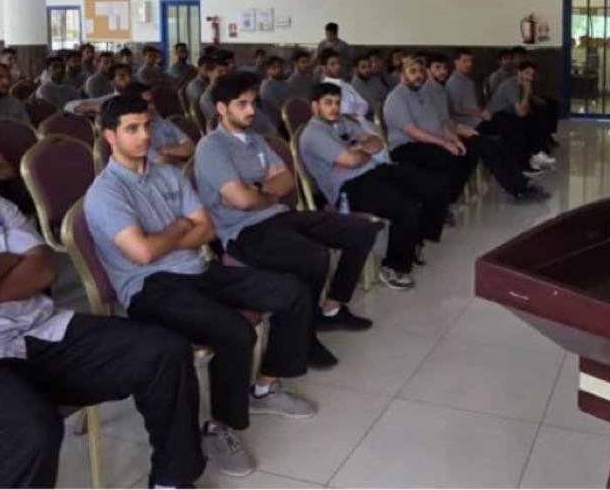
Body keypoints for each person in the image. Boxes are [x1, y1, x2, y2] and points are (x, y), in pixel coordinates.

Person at [86, 94, 315, 478]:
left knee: (294, 293)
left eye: (147, 125)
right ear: (110, 136)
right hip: (151, 288)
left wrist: (167, 237)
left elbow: (206, 230)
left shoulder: (167, 174)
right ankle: (220, 427)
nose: (145, 136)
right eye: (132, 129)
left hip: (199, 270)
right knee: (235, 331)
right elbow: (142, 254)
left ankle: (264, 388)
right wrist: (180, 227)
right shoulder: (105, 192)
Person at [0, 187, 205, 488]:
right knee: (27, 432)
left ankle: (173, 480)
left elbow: (43, 271)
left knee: (163, 350)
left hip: (38, 328)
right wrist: (2, 262)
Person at [194, 72, 379, 369]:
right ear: (221, 108)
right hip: (243, 232)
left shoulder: (256, 140)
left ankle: (332, 309)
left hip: (278, 215)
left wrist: (257, 191)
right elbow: (242, 201)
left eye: (253, 103)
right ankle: (303, 337)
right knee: (314, 256)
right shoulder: (211, 147)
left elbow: (286, 181)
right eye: (242, 104)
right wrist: (261, 192)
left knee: (362, 230)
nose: (252, 110)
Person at [299, 83, 443, 290]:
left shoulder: (342, 123)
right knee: (407, 208)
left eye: (337, 103)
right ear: (315, 106)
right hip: (348, 188)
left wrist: (357, 149)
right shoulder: (313, 134)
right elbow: (351, 160)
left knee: (432, 186)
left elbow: (377, 143)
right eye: (328, 103)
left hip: (373, 171)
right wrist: (357, 153)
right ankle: (392, 268)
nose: (334, 108)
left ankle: (415, 241)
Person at [424, 53, 546, 202]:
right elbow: (436, 122)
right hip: (444, 137)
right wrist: (458, 131)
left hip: (457, 131)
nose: (442, 71)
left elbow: (446, 118)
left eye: (444, 68)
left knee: (499, 143)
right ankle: (518, 190)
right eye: (437, 68)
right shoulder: (427, 92)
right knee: (490, 147)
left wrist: (460, 127)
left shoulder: (441, 89)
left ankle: (521, 183)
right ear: (428, 70)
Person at [383, 57, 478, 204]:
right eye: (412, 71)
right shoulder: (396, 98)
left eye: (421, 71)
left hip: (429, 141)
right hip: (405, 146)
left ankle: (447, 199)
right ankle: (441, 202)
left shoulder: (424, 94)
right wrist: (445, 143)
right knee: (445, 158)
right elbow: (412, 131)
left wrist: (454, 139)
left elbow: (439, 123)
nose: (418, 75)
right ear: (402, 74)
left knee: (468, 152)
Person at [446, 48, 536, 172]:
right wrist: (479, 113)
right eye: (465, 61)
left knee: (515, 123)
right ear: (456, 62)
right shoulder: (454, 82)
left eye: (470, 61)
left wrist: (481, 112)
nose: (469, 64)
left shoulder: (467, 80)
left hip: (479, 118)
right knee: (510, 128)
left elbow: (471, 105)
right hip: (471, 124)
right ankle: (521, 165)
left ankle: (524, 160)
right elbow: (455, 109)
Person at [486, 60, 557, 172]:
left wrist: (527, 93)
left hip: (508, 113)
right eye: (527, 73)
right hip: (494, 116)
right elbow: (520, 112)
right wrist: (527, 91)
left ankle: (536, 153)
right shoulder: (511, 85)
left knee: (534, 117)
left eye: (532, 75)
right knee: (519, 125)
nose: (530, 78)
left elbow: (525, 109)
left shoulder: (522, 85)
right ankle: (524, 163)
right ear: (519, 72)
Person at [125, 83, 194, 165]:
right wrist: (180, 154)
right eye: (146, 103)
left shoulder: (161, 122)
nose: (152, 107)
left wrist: (166, 150)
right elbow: (160, 161)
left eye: (151, 102)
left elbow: (190, 147)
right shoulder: (133, 136)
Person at [65, 63, 131, 115]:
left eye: (130, 75)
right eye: (122, 77)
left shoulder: (136, 96)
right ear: (112, 82)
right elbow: (69, 106)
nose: (128, 79)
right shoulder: (109, 100)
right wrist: (95, 108)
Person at [184, 54, 215, 121]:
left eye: (211, 68)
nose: (209, 71)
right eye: (206, 68)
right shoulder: (195, 85)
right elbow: (203, 106)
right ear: (199, 68)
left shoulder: (209, 83)